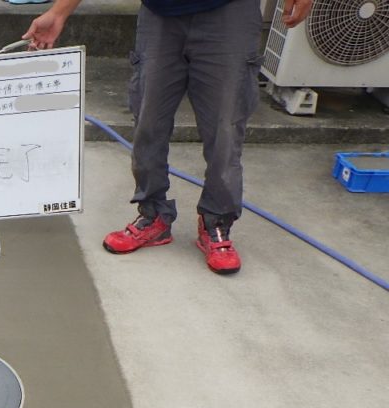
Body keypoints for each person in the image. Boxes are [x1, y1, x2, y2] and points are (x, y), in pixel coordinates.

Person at [23, 0, 313, 275]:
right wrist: (59, 12)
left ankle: (216, 222)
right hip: (159, 14)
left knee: (225, 128)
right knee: (148, 121)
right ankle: (153, 215)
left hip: (230, 14)